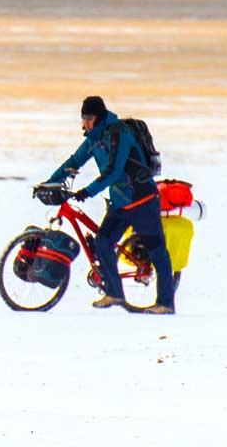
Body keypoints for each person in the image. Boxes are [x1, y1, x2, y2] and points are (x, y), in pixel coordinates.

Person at [46, 96, 176, 314]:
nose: (85, 123)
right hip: (120, 201)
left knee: (157, 251)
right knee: (103, 242)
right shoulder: (94, 139)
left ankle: (165, 303)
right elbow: (74, 162)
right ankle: (114, 293)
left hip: (142, 200)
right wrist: (50, 182)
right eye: (83, 118)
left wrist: (88, 191)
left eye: (89, 118)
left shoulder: (119, 134)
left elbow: (114, 171)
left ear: (99, 117)